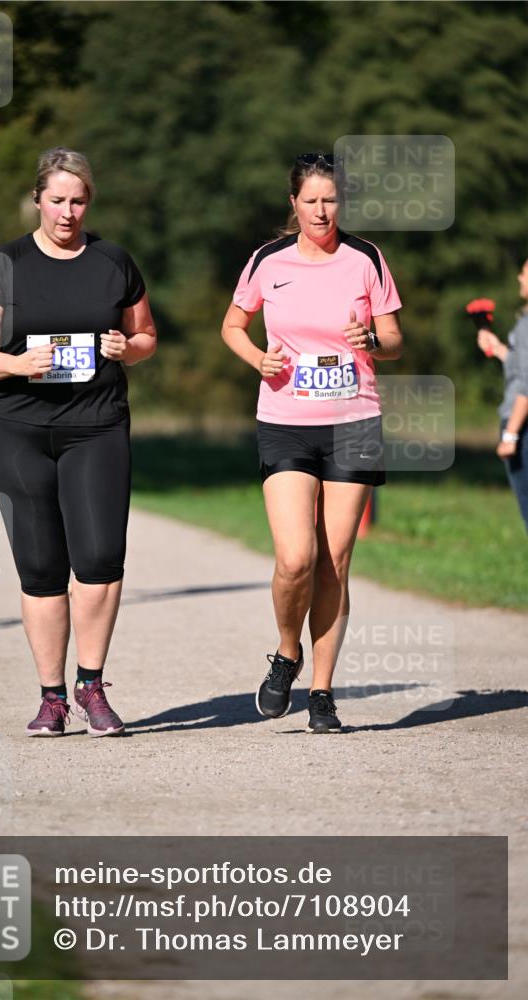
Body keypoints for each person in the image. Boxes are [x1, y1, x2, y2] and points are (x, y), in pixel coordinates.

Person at [0, 147, 157, 738]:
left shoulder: (113, 261)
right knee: (41, 568)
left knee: (98, 560)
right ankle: (51, 698)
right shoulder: (6, 263)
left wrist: (128, 348)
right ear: (38, 199)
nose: (68, 212)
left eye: (79, 201)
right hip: (19, 429)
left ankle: (92, 686)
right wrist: (18, 364)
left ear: (88, 202)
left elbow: (145, 335)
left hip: (96, 426)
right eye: (58, 200)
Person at [221, 152, 403, 733]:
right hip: (285, 417)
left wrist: (371, 336)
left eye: (331, 200)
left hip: (354, 421)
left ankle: (322, 691)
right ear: (293, 203)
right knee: (295, 557)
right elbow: (233, 324)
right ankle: (286, 652)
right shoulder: (267, 261)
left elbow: (395, 339)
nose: (322, 211)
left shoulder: (367, 259)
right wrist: (257, 357)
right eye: (311, 200)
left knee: (333, 564)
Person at [476, 260, 528, 532]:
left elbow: (527, 386)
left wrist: (511, 434)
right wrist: (499, 349)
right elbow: (522, 368)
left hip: (522, 427)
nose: (520, 277)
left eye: (525, 272)